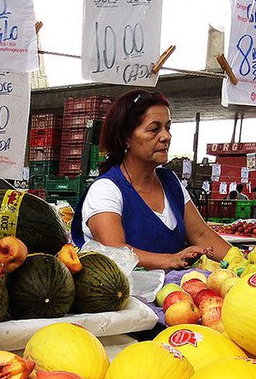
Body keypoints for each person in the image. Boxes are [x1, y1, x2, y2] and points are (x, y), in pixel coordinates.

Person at [72, 90, 230, 270]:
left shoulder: (170, 182)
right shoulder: (106, 190)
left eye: (167, 128)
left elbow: (201, 234)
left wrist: (243, 259)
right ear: (125, 139)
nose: (166, 137)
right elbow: (116, 251)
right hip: (123, 295)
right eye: (154, 129)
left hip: (170, 292)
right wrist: (170, 260)